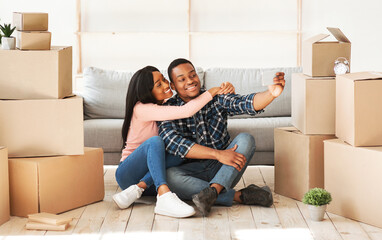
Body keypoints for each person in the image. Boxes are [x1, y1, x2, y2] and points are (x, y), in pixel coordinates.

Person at [158, 59, 285, 216]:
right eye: (182, 79)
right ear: (173, 85)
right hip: (193, 171)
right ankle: (240, 196)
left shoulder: (215, 97)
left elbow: (244, 103)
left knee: (246, 139)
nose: (190, 81)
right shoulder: (167, 109)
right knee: (169, 176)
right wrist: (218, 154)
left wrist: (271, 94)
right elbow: (175, 144)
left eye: (192, 75)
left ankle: (213, 191)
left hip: (225, 167)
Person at [113, 66, 235, 218]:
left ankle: (140, 188)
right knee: (155, 142)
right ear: (147, 92)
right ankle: (164, 197)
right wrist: (212, 91)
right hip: (129, 175)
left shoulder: (164, 104)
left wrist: (227, 91)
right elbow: (186, 110)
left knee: (180, 151)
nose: (166, 85)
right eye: (159, 84)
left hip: (153, 180)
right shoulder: (141, 108)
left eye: (164, 79)